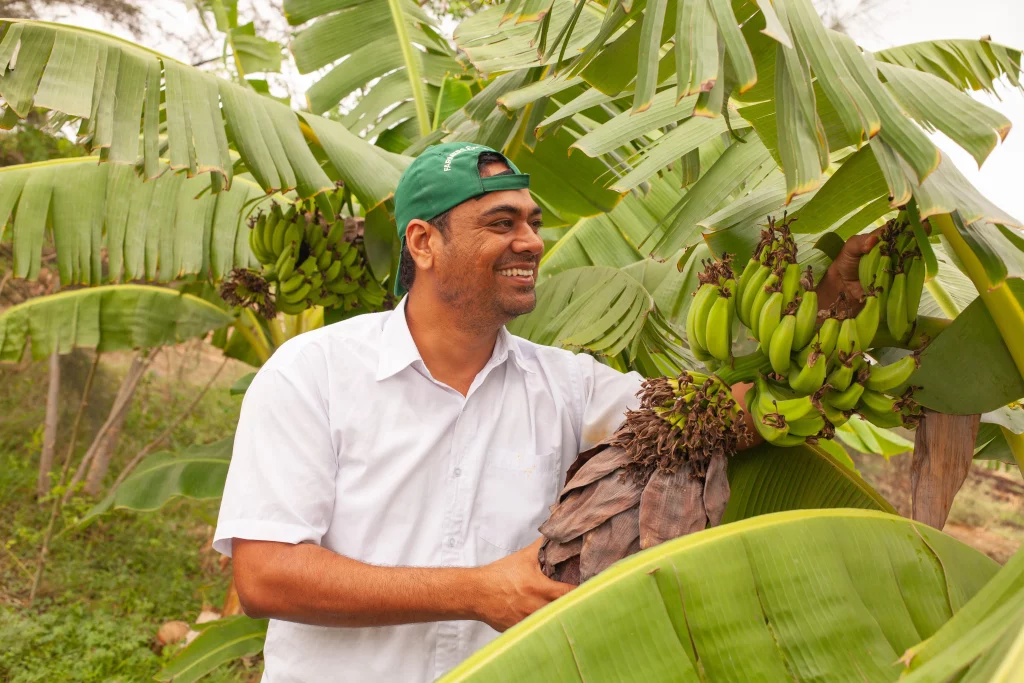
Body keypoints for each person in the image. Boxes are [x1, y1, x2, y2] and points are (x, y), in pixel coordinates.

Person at [214, 141, 876, 682]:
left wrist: (826, 313)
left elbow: (708, 417)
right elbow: (266, 576)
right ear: (423, 241)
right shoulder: (314, 373)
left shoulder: (567, 385)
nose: (531, 241)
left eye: (533, 223)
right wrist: (477, 590)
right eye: (502, 223)